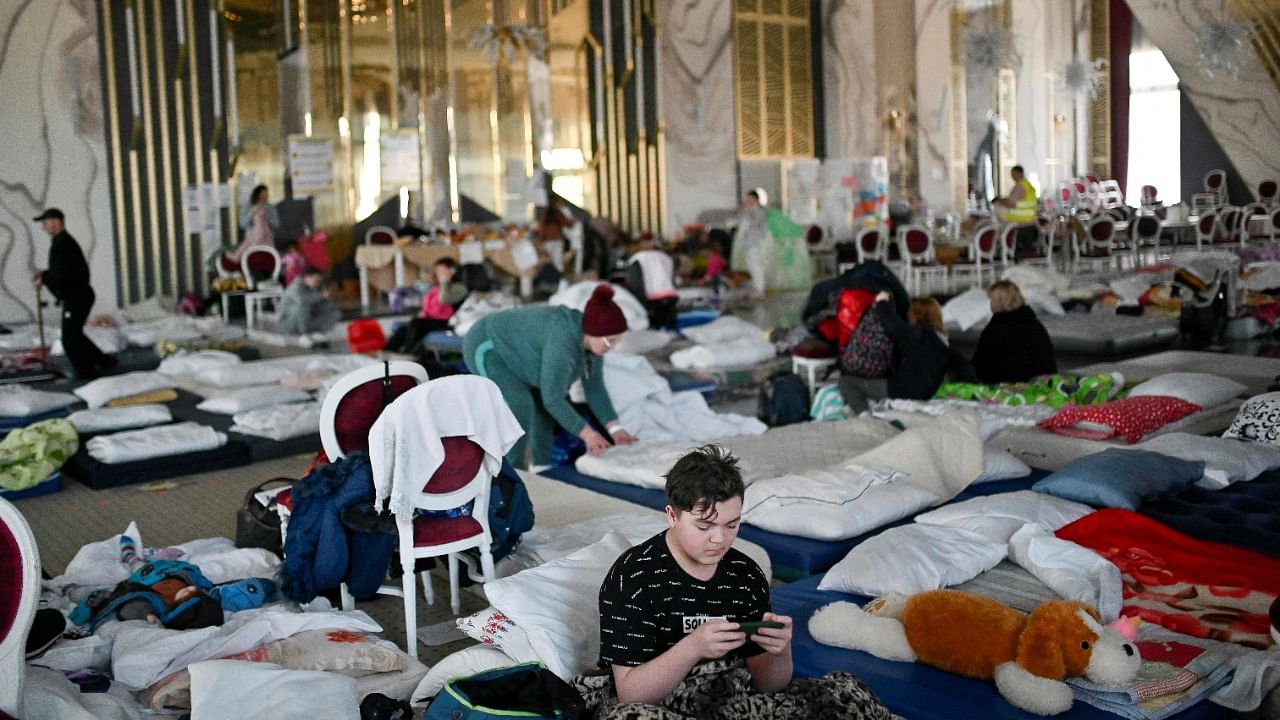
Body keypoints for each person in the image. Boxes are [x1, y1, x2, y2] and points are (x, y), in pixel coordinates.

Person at [589, 445, 890, 718]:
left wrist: (779, 651)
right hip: (655, 704)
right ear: (672, 516)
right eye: (704, 526)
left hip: (728, 696)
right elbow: (631, 695)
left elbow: (769, 686)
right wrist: (693, 647)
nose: (719, 539)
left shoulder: (744, 575)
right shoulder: (635, 577)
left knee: (847, 696)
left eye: (731, 525)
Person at [463, 283, 636, 469]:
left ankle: (542, 468)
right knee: (520, 404)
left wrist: (615, 429)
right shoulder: (562, 343)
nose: (612, 347)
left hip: (523, 355)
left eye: (617, 341)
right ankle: (513, 474)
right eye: (610, 341)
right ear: (592, 332)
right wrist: (587, 434)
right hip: (488, 345)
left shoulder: (594, 348)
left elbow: (595, 390)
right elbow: (553, 398)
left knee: (544, 410)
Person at [31, 208, 115, 379]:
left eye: (45, 223)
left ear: (56, 222)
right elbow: (61, 270)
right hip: (79, 295)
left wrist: (44, 278)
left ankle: (87, 373)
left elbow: (59, 275)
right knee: (74, 334)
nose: (44, 227)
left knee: (69, 340)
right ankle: (104, 361)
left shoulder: (61, 244)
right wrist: (44, 275)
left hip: (76, 297)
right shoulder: (62, 242)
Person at [838, 294, 960, 413]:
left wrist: (882, 303)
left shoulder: (919, 333)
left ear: (915, 315)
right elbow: (962, 366)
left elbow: (894, 326)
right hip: (927, 393)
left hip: (904, 390)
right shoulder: (943, 342)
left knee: (846, 382)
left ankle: (864, 414)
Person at [971, 279, 1057, 384]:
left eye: (992, 300)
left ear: (999, 303)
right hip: (1043, 381)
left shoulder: (996, 327)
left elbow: (980, 362)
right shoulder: (1033, 323)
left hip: (1008, 384)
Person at [384, 257, 467, 354]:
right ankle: (385, 354)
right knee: (403, 329)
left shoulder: (460, 287)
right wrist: (424, 312)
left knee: (416, 323)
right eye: (437, 271)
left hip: (448, 321)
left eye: (442, 271)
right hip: (432, 320)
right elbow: (427, 303)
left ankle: (407, 354)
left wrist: (444, 282)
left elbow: (444, 300)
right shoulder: (436, 287)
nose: (439, 274)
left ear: (453, 271)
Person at [276, 267, 341, 339]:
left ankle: (318, 332)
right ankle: (304, 334)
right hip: (289, 323)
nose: (318, 283)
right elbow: (302, 300)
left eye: (319, 281)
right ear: (307, 277)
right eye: (316, 280)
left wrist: (327, 300)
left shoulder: (314, 287)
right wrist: (321, 296)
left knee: (334, 312)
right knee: (304, 306)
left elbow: (319, 302)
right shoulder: (295, 286)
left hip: (307, 321)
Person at [730, 189, 769, 298]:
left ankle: (760, 290)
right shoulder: (746, 211)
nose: (747, 200)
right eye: (747, 198)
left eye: (749, 198)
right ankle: (756, 288)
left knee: (757, 266)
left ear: (755, 199)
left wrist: (748, 211)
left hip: (756, 242)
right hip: (747, 242)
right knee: (751, 266)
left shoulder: (759, 211)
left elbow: (757, 222)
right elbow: (736, 219)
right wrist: (741, 210)